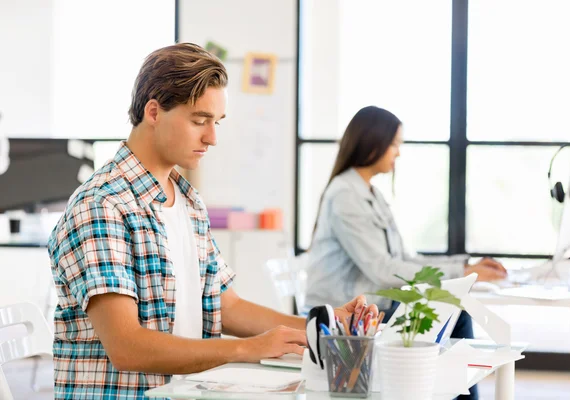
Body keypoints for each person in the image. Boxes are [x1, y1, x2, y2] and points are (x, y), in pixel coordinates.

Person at [48, 43, 377, 399]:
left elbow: (225, 304)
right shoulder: (102, 206)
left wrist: (326, 327)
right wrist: (245, 349)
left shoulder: (187, 201)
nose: (212, 138)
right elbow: (127, 347)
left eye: (216, 122)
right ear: (154, 112)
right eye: (199, 120)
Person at [305, 105, 508, 400]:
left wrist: (464, 265)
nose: (398, 153)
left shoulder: (370, 193)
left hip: (373, 306)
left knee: (452, 311)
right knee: (457, 312)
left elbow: (404, 259)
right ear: (372, 142)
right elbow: (383, 270)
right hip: (346, 315)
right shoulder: (346, 195)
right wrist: (461, 273)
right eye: (394, 144)